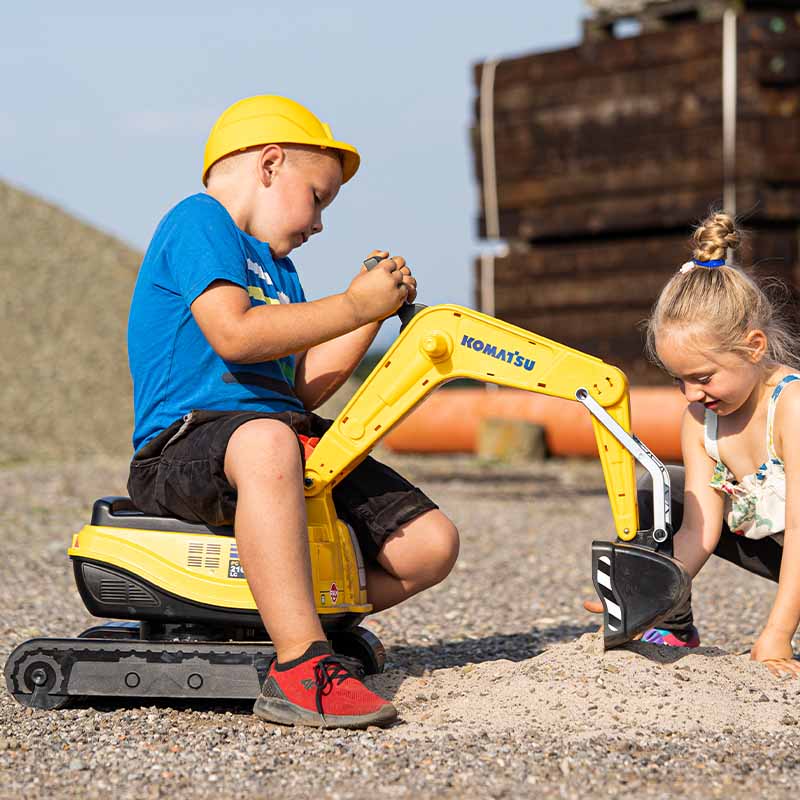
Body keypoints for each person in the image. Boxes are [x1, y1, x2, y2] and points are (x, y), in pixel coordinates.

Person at [126, 95, 460, 727]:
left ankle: (292, 612)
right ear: (271, 164)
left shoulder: (281, 272)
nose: (320, 224)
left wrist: (372, 320)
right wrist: (354, 306)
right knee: (267, 442)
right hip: (186, 443)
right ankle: (301, 662)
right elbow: (235, 335)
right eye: (319, 197)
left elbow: (298, 391)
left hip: (276, 433)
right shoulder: (200, 222)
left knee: (429, 546)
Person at [588, 211, 800, 677]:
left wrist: (777, 635)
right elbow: (696, 532)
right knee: (659, 490)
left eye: (702, 378)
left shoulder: (792, 407)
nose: (691, 394)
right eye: (679, 380)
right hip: (779, 545)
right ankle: (672, 624)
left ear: (755, 347)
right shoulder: (700, 417)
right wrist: (646, 596)